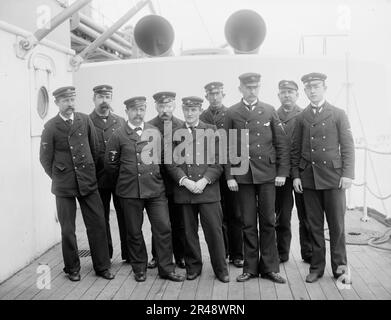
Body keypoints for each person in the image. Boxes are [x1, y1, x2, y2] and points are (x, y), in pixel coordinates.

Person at [104, 96, 184, 282]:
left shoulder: (154, 131)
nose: (138, 114)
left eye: (141, 110)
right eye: (134, 110)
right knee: (134, 231)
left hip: (155, 190)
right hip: (130, 192)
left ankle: (166, 269)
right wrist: (125, 181)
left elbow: (165, 160)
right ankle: (139, 268)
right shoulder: (118, 134)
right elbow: (111, 165)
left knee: (163, 228)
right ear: (127, 112)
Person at [39, 86, 114, 282]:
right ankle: (72, 268)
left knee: (97, 224)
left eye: (72, 100)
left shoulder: (84, 120)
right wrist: (59, 176)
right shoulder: (50, 127)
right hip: (64, 186)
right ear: (57, 103)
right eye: (65, 101)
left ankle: (102, 266)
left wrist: (90, 173)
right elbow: (45, 159)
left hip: (88, 181)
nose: (70, 104)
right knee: (67, 229)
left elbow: (95, 149)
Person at [225, 73, 290, 283]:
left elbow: (281, 144)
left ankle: (270, 267)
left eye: (256, 87)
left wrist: (281, 172)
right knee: (248, 223)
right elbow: (225, 146)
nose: (252, 91)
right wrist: (230, 175)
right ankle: (250, 267)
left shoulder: (269, 110)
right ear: (241, 88)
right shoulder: (232, 112)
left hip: (267, 174)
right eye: (248, 87)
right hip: (242, 175)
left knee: (269, 221)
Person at [291, 72, 355, 283]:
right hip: (309, 179)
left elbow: (347, 146)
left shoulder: (338, 114)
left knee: (337, 226)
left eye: (316, 87)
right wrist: (296, 176)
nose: (312, 91)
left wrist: (347, 175)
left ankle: (340, 267)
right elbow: (295, 149)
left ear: (324, 88)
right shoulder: (301, 117)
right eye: (309, 88)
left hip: (334, 179)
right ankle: (317, 267)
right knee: (314, 226)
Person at [166, 96, 229, 283]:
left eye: (194, 110)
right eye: (187, 110)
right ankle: (193, 267)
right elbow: (170, 163)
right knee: (188, 232)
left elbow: (219, 160)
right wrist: (185, 181)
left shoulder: (211, 130)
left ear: (200, 110)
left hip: (208, 191)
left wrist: (204, 181)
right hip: (185, 191)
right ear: (183, 111)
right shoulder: (174, 133)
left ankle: (221, 269)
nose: (190, 113)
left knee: (214, 232)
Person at [200, 81, 243, 268]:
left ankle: (237, 254)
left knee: (236, 214)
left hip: (230, 172)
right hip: (211, 173)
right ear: (206, 97)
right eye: (211, 94)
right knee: (218, 216)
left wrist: (232, 174)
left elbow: (236, 145)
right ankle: (223, 251)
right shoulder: (202, 116)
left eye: (218, 93)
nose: (215, 97)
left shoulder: (231, 114)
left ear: (223, 95)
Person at [89, 85, 128, 262]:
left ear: (111, 99)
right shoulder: (86, 121)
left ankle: (128, 254)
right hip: (98, 179)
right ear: (94, 99)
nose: (104, 100)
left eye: (107, 96)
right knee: (100, 219)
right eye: (100, 97)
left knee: (125, 216)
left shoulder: (120, 121)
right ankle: (106, 256)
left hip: (120, 179)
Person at [147, 91, 186, 269]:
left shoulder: (182, 125)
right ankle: (157, 256)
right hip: (157, 182)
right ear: (156, 107)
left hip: (177, 182)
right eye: (161, 106)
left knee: (178, 222)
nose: (165, 110)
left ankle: (180, 255)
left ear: (174, 106)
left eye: (168, 106)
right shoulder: (149, 126)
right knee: (159, 221)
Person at [275, 80, 312, 264]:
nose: (287, 95)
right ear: (278, 95)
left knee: (306, 215)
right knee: (282, 215)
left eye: (290, 92)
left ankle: (308, 252)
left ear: (297, 95)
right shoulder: (273, 115)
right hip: (281, 174)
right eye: (283, 92)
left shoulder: (305, 115)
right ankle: (282, 252)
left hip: (301, 173)